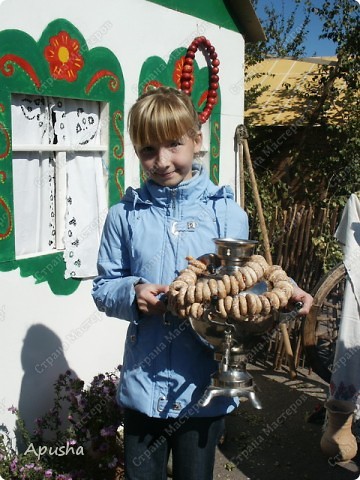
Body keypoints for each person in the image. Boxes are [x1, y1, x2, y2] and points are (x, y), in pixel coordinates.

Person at [92, 86, 313, 480]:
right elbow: (104, 286)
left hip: (204, 385)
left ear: (197, 140)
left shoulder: (226, 214)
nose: (161, 161)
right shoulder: (124, 216)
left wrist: (288, 289)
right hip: (145, 382)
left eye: (173, 145)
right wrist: (133, 292)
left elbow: (250, 277)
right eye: (147, 150)